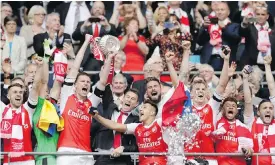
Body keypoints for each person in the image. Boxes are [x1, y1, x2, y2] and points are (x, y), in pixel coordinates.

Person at [55, 34, 114, 165]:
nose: (86, 83)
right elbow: (75, 67)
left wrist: (109, 58)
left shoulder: (91, 102)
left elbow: (103, 81)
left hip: (86, 154)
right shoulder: (67, 95)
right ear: (75, 85)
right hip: (66, 153)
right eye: (82, 81)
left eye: (88, 82)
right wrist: (87, 41)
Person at [92, 100, 168, 165]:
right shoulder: (136, 127)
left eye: (144, 107)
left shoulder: (160, 122)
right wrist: (97, 117)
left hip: (160, 162)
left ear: (152, 112)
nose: (140, 109)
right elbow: (115, 125)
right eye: (141, 107)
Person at [0, 59, 44, 165]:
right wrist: (6, 74)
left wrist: (39, 70)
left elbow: (35, 88)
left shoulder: (28, 110)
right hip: (8, 162)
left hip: (27, 161)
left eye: (20, 92)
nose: (18, 94)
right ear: (8, 96)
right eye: (15, 92)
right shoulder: (3, 110)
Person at [92, 88, 140, 165]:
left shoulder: (137, 121)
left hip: (123, 160)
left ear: (136, 104)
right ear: (123, 98)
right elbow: (104, 90)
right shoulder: (109, 109)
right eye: (127, 97)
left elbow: (136, 146)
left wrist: (124, 148)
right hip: (103, 158)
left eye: (133, 99)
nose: (129, 100)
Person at [244, 55, 275, 165]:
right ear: (258, 112)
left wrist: (267, 66)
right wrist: (245, 79)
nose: (268, 110)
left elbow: (272, 88)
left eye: (271, 108)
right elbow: (248, 100)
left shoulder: (274, 122)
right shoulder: (252, 122)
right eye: (265, 108)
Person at [211, 97, 254, 165]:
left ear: (236, 111)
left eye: (233, 106)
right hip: (221, 163)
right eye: (227, 105)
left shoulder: (244, 127)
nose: (231, 107)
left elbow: (249, 148)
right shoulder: (216, 123)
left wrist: (248, 149)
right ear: (222, 109)